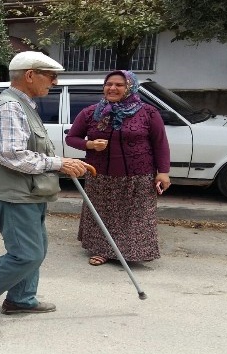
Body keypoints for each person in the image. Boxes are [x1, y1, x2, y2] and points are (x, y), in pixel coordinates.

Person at [0, 51, 92, 324]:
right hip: (12, 194)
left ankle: (20, 299)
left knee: (37, 249)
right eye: (50, 76)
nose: (54, 82)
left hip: (28, 191)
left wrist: (60, 162)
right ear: (29, 75)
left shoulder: (23, 104)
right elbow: (9, 153)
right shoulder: (9, 106)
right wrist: (58, 163)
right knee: (26, 254)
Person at [65, 70, 171, 266]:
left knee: (135, 216)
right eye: (108, 84)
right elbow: (71, 138)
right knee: (103, 214)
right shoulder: (91, 112)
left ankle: (131, 251)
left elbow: (160, 143)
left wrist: (163, 172)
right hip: (100, 175)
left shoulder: (148, 112)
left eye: (119, 85)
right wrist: (89, 145)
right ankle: (103, 250)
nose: (112, 88)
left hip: (138, 176)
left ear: (130, 87)